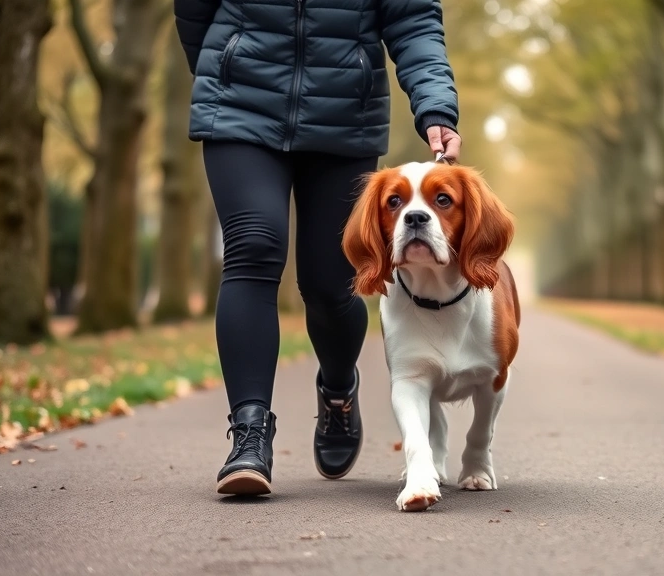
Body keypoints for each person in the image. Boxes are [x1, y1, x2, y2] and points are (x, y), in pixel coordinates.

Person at [173, 0, 461, 496]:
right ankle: (249, 435)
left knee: (330, 283)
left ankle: (337, 391)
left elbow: (412, 19)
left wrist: (436, 105)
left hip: (343, 117)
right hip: (241, 103)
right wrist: (220, 66)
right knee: (254, 247)